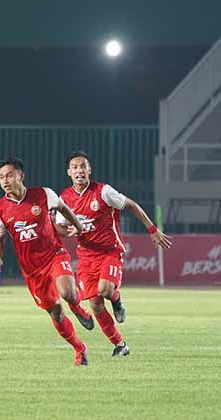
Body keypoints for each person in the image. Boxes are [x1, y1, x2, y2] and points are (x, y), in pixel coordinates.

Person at [57, 150, 172, 357]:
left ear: (89, 169)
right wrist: (69, 230)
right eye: (75, 167)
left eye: (83, 166)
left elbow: (131, 205)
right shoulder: (64, 198)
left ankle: (117, 300)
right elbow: (60, 227)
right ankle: (120, 345)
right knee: (95, 303)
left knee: (105, 289)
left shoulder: (103, 191)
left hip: (110, 252)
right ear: (69, 172)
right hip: (86, 257)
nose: (79, 170)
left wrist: (152, 230)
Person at [0, 157, 92, 365]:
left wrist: (79, 227)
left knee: (68, 293)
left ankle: (78, 308)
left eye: (10, 175)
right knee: (54, 311)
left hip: (54, 255)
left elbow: (64, 208)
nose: (5, 180)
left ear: (21, 175)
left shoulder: (43, 194)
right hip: (32, 269)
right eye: (1, 177)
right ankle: (79, 348)